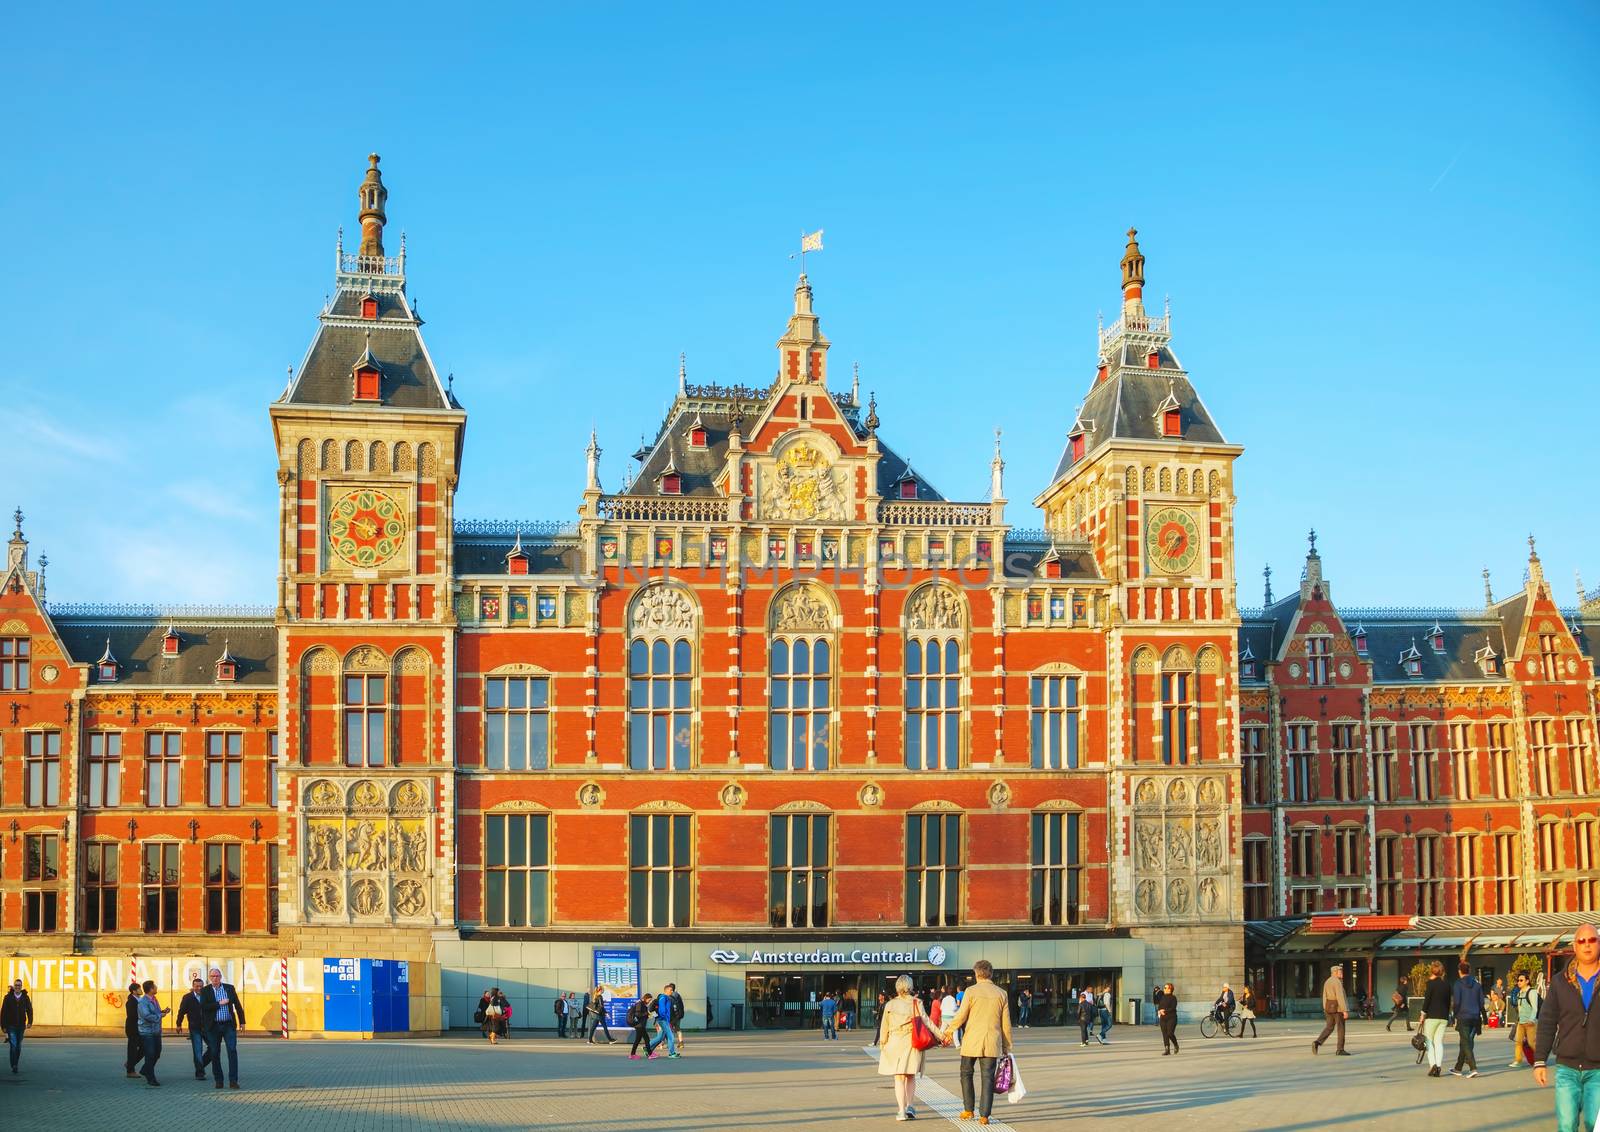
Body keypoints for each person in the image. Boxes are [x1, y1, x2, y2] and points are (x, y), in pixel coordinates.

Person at [1534, 923, 1600, 1131]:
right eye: (1582, 941)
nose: (1587, 945)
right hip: (1566, 1068)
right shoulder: (1560, 982)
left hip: (1598, 1070)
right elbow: (1547, 1021)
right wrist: (1539, 1061)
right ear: (1575, 946)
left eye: (1592, 940)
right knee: (1566, 1125)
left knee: (1594, 1123)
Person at [944, 960, 1013, 1126]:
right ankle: (984, 1116)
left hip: (971, 1041)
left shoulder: (971, 991)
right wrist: (1007, 1046)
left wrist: (948, 1031)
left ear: (976, 973)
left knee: (966, 1073)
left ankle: (968, 1109)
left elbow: (961, 1015)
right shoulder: (1001, 993)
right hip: (991, 1041)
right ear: (991, 973)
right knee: (988, 1078)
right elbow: (1006, 1023)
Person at [878, 974, 947, 1123]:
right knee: (910, 1076)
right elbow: (927, 1022)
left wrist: (883, 1042)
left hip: (895, 1042)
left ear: (897, 986)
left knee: (898, 1077)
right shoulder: (916, 1003)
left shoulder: (890, 1005)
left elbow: (884, 1026)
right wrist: (942, 1036)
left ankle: (901, 1111)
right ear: (910, 986)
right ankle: (910, 1106)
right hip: (912, 1042)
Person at [199, 966, 245, 1089]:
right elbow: (203, 1006)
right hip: (213, 1026)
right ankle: (219, 1080)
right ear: (209, 978)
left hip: (228, 1025)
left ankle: (233, 1081)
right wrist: (219, 1003)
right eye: (212, 976)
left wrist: (242, 1021)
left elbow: (238, 1005)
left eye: (217, 976)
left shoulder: (229, 988)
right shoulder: (205, 991)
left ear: (221, 977)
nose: (215, 978)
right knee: (214, 1053)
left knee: (232, 1051)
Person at [1449, 961, 1485, 1078]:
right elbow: (1481, 1003)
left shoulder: (1458, 984)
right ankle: (1458, 1067)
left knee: (1465, 1042)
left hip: (1463, 1016)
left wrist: (1454, 1015)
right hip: (1475, 1017)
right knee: (1466, 1042)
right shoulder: (1477, 984)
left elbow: (1457, 1002)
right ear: (1469, 971)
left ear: (1459, 971)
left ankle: (1473, 1067)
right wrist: (1484, 1017)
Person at [1417, 960, 1452, 1077]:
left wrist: (1422, 1015)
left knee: (1429, 1041)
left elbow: (1427, 1001)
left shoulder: (1430, 984)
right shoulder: (1447, 984)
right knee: (1438, 1042)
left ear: (1432, 971)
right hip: (1443, 1017)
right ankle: (1439, 1065)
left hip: (1432, 1016)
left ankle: (1433, 1066)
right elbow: (1448, 1002)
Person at [136, 980, 170, 1087]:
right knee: (150, 1054)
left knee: (157, 1053)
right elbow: (146, 1016)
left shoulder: (154, 999)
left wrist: (163, 1011)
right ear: (150, 989)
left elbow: (155, 1013)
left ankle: (145, 1069)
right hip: (147, 1032)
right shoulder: (143, 1002)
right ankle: (151, 1078)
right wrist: (160, 1016)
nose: (156, 988)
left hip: (156, 1031)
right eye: (155, 987)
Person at [1311, 963, 1350, 1056]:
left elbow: (1324, 996)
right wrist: (1344, 1010)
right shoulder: (1337, 982)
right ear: (1335, 972)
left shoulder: (1327, 981)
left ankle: (1317, 1042)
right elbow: (1340, 997)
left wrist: (1325, 1008)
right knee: (1341, 1028)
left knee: (1329, 1027)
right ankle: (1340, 1049)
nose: (1341, 973)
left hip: (1329, 1008)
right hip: (1338, 1009)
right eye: (1340, 971)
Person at [176, 975, 210, 1077]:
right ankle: (200, 1072)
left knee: (214, 1048)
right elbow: (181, 1011)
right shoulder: (187, 997)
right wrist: (178, 1024)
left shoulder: (208, 996)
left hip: (208, 1027)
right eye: (197, 986)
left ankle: (200, 1065)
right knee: (197, 1050)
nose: (199, 988)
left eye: (201, 986)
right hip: (195, 1028)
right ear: (193, 986)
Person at [2, 978, 34, 1074]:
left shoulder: (25, 997)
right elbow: (3, 1012)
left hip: (21, 1026)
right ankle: (14, 1065)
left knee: (18, 1046)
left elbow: (29, 1010)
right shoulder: (8, 997)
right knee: (14, 1045)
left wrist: (30, 1022)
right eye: (16, 985)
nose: (17, 987)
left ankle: (16, 1063)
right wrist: (3, 1026)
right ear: (14, 986)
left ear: (21, 986)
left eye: (19, 985)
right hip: (11, 1025)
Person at [1510, 971, 1539, 1067]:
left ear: (1527, 981)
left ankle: (1540, 1059)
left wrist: (1531, 1019)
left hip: (1530, 1022)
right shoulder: (1519, 993)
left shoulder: (1532, 992)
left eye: (1521, 980)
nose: (1519, 982)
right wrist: (1518, 1019)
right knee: (1518, 1042)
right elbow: (1519, 1008)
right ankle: (1518, 1060)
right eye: (1518, 980)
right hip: (1521, 1022)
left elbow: (1535, 1008)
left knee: (1531, 1043)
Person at [123, 983, 146, 1078]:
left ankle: (130, 1064)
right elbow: (133, 1016)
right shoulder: (131, 1002)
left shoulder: (139, 1000)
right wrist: (145, 1017)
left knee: (144, 1048)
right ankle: (130, 1071)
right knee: (132, 1050)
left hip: (139, 1028)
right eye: (139, 989)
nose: (141, 990)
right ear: (134, 991)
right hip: (133, 1029)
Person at [653, 983, 679, 1058]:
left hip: (665, 1020)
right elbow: (662, 1009)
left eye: (672, 990)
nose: (672, 991)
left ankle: (647, 1048)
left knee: (660, 1038)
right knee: (670, 1037)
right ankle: (672, 1053)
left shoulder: (667, 998)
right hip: (663, 1019)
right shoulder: (663, 997)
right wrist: (664, 1017)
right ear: (666, 990)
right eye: (671, 990)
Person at [627, 994, 655, 1059]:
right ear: (645, 998)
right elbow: (638, 1014)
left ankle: (632, 1054)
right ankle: (650, 1054)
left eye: (650, 1000)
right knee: (646, 1039)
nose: (649, 1001)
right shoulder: (640, 1004)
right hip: (639, 1025)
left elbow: (642, 1015)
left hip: (639, 1024)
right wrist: (647, 1014)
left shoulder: (641, 1004)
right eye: (649, 1000)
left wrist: (649, 1015)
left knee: (638, 1040)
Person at [1157, 983, 1179, 1055]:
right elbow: (1160, 1006)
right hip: (1163, 1018)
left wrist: (1165, 1011)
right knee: (1165, 1034)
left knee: (1170, 1033)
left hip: (1171, 1018)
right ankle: (1167, 1049)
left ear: (1170, 989)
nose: (1164, 989)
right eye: (1164, 987)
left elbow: (1173, 1008)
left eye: (1165, 988)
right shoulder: (1162, 997)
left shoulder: (1173, 998)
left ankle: (1176, 1045)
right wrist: (1160, 1010)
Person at [669, 984, 686, 1051]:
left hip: (674, 1015)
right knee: (677, 1029)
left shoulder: (672, 996)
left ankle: (668, 1044)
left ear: (670, 989)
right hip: (679, 1015)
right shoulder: (677, 995)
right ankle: (681, 1043)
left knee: (670, 1029)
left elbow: (672, 1006)